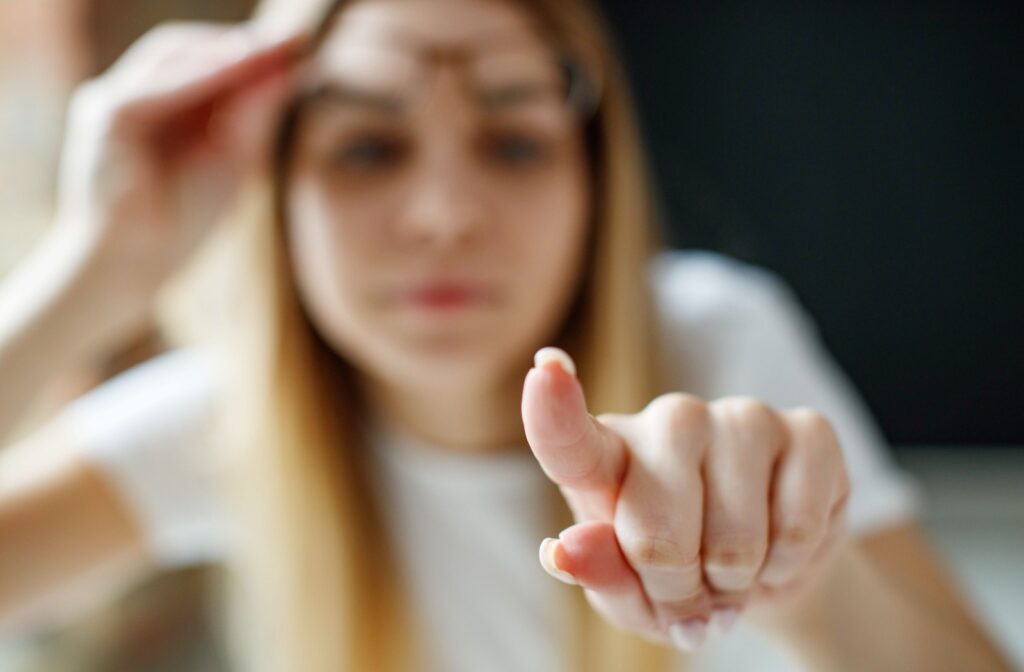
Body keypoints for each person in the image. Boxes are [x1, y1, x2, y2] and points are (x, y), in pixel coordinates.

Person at [0, 0, 1013, 670]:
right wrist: (90, 275)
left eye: (515, 140)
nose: (443, 213)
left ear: (594, 187)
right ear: (276, 203)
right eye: (366, 147)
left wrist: (807, 584)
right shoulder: (226, 421)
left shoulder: (709, 338)